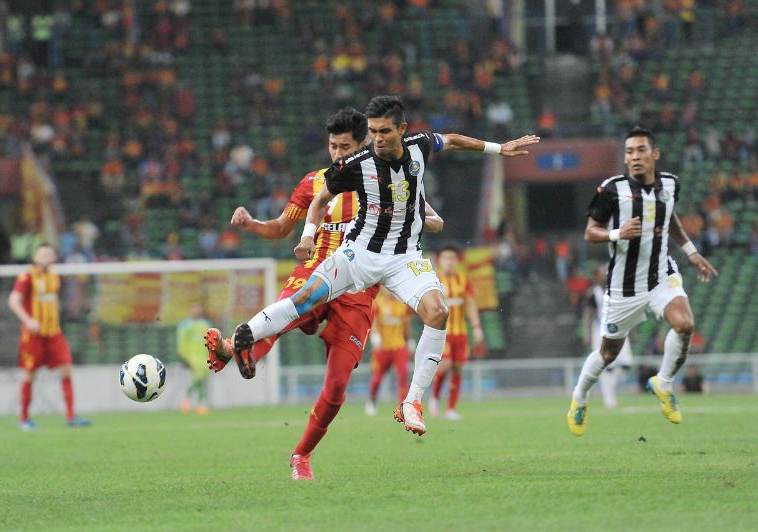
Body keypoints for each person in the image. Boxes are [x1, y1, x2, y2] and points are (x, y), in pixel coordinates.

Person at [220, 95, 538, 438]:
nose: (378, 139)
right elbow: (319, 201)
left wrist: (498, 148)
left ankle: (412, 403)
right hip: (359, 255)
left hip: (404, 259)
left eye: (384, 131)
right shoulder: (354, 164)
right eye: (372, 132)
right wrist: (309, 236)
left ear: (402, 129)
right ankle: (247, 334)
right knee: (306, 297)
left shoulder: (420, 145)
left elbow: (455, 139)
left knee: (438, 311)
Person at [204, 107, 443, 480]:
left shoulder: (381, 173)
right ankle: (234, 350)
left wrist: (419, 219)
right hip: (318, 272)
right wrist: (252, 224)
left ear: (363, 143)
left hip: (359, 291)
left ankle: (301, 455)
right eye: (333, 146)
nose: (337, 154)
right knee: (286, 310)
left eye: (345, 146)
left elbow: (430, 215)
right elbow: (282, 227)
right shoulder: (316, 182)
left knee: (335, 390)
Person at [567, 127, 718, 436]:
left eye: (640, 150)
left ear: (654, 154)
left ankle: (663, 384)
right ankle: (579, 397)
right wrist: (616, 234)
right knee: (608, 355)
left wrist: (690, 251)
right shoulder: (611, 190)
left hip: (661, 275)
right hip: (623, 288)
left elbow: (669, 218)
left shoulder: (670, 185)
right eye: (629, 152)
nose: (634, 157)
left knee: (685, 324)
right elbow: (590, 231)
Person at [8, 243, 90, 430]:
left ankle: (70, 416)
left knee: (67, 369)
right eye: (42, 254)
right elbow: (13, 300)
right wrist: (28, 321)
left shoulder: (54, 276)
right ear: (35, 257)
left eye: (49, 254)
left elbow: (52, 303)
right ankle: (24, 419)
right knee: (30, 375)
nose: (46, 257)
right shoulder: (27, 276)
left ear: (53, 258)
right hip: (33, 335)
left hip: (54, 333)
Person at [429, 244, 484, 420]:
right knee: (445, 365)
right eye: (446, 258)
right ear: (439, 261)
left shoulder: (463, 279)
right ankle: (434, 397)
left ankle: (451, 409)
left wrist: (476, 328)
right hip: (441, 333)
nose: (449, 262)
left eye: (452, 258)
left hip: (460, 332)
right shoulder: (433, 279)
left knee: (458, 369)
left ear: (457, 261)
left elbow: (470, 304)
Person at [582, 264, 634, 409]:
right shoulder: (593, 293)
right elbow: (588, 314)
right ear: (596, 276)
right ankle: (609, 398)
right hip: (600, 332)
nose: (605, 274)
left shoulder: (617, 290)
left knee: (626, 363)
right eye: (602, 272)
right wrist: (586, 333)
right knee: (604, 366)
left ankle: (610, 392)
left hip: (619, 331)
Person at [366, 287, 412, 416]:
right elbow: (373, 323)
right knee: (377, 377)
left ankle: (402, 406)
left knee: (403, 374)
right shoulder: (378, 303)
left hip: (399, 346)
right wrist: (375, 337)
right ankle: (372, 400)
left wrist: (410, 341)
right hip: (383, 347)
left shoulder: (402, 305)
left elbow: (406, 326)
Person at [177, 303, 213, 415]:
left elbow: (211, 341)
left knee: (202, 381)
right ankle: (194, 403)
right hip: (192, 357)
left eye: (198, 309)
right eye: (194, 309)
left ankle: (194, 403)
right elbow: (182, 342)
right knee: (199, 379)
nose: (197, 311)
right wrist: (184, 357)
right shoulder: (185, 325)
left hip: (204, 357)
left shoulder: (205, 324)